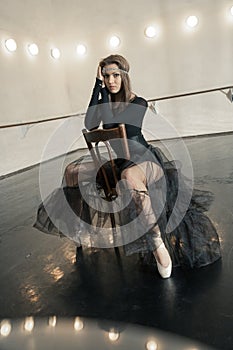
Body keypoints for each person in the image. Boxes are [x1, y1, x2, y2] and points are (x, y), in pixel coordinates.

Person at [34, 54, 221, 278]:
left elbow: (128, 129)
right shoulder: (105, 99)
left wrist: (105, 105)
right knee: (71, 171)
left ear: (124, 76)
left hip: (145, 161)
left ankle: (157, 245)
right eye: (106, 76)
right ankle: (80, 229)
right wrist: (97, 88)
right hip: (121, 162)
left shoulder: (137, 102)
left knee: (130, 177)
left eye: (115, 75)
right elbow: (90, 123)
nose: (110, 80)